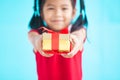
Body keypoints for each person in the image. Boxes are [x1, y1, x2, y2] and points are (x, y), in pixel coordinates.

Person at [28, 0, 88, 80]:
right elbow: (33, 37)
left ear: (73, 12)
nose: (57, 14)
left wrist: (76, 40)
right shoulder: (38, 34)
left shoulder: (77, 31)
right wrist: (37, 40)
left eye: (64, 8)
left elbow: (80, 35)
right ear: (41, 12)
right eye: (51, 8)